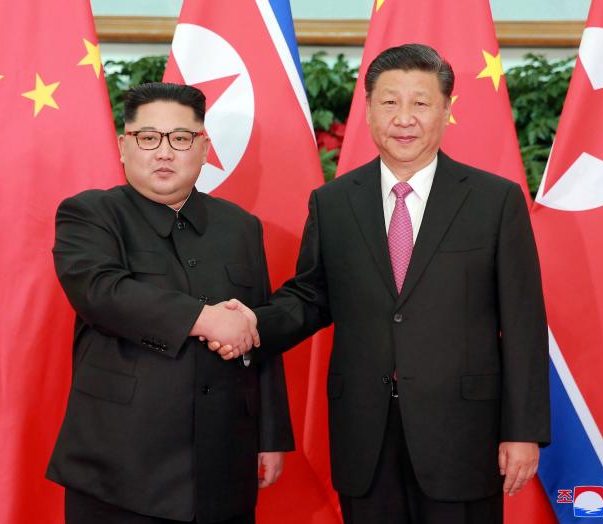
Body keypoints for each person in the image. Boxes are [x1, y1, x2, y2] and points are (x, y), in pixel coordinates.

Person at [216, 44, 550, 524]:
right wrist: (251, 323)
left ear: (446, 110)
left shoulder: (495, 201)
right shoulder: (332, 203)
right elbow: (311, 296)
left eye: (421, 102)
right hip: (364, 432)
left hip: (462, 433)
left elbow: (523, 320)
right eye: (390, 102)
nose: (404, 118)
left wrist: (523, 431)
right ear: (369, 110)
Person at [46, 82, 294, 524]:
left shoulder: (240, 227)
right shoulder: (91, 214)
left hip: (223, 461)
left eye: (180, 139)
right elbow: (101, 291)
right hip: (119, 464)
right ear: (124, 146)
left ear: (203, 148)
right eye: (148, 138)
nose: (164, 152)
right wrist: (204, 319)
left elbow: (255, 332)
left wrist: (270, 435)